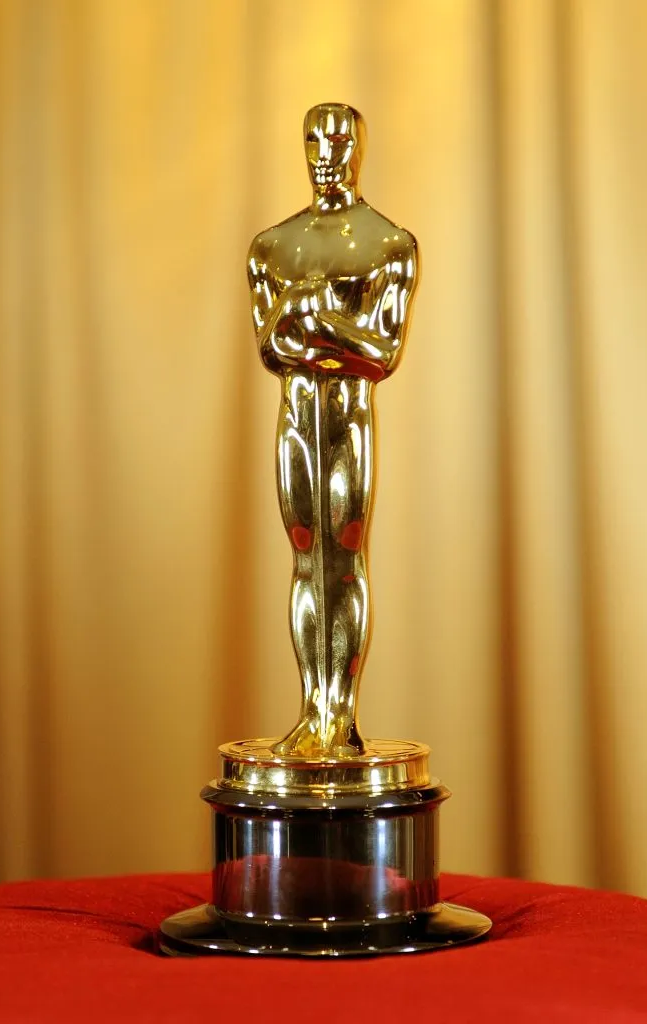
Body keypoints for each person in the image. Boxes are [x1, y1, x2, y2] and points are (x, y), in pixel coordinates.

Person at [247, 102, 418, 756]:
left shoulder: (388, 244)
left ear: (358, 146)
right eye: (313, 137)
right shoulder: (272, 247)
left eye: (337, 138)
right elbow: (268, 350)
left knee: (342, 558)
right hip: (296, 416)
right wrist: (313, 337)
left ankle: (339, 719)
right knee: (303, 556)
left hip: (346, 416)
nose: (324, 150)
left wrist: (316, 329)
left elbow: (382, 353)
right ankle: (310, 708)